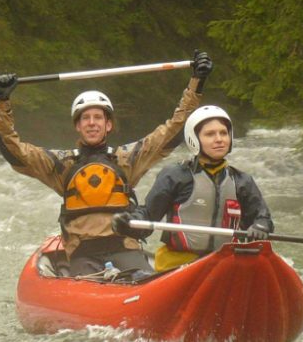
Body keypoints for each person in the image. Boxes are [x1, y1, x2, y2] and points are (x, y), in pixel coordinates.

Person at [0, 51, 212, 276]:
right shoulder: (61, 164)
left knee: (143, 277)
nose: (92, 123)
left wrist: (197, 82)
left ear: (108, 125)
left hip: (124, 247)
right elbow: (14, 151)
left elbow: (173, 130)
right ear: (77, 126)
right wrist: (1, 101)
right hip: (83, 254)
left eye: (98, 118)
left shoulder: (127, 158)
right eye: (85, 118)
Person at [112, 105, 273, 272]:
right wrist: (129, 223)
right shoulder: (175, 176)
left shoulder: (241, 181)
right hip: (179, 266)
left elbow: (262, 217)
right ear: (194, 139)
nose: (219, 139)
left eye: (223, 133)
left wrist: (261, 226)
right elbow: (148, 215)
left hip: (224, 264)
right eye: (210, 134)